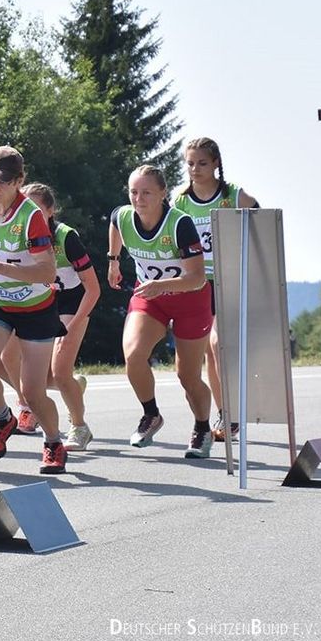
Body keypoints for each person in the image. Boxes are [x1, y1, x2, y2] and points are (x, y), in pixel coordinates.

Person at [0, 146, 67, 474]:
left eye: (2, 182)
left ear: (19, 181)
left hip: (35, 306)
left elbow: (48, 273)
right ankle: (3, 419)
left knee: (33, 393)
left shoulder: (30, 216)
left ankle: (52, 441)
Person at [109, 164, 215, 459]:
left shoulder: (179, 224)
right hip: (151, 299)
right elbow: (115, 223)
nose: (138, 199)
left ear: (162, 194)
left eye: (146, 193)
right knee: (133, 354)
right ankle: (151, 414)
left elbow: (196, 278)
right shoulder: (124, 215)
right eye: (133, 192)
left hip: (190, 301)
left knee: (187, 376)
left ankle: (202, 428)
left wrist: (161, 284)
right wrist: (113, 260)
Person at [171, 137, 258, 441]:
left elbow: (261, 220)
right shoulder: (180, 200)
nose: (195, 169)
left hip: (225, 279)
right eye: (190, 163)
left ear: (216, 163)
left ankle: (232, 411)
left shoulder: (233, 195)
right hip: (195, 283)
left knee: (218, 344)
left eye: (202, 163)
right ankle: (226, 415)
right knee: (207, 350)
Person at [19, 183, 100, 450]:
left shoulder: (66, 237)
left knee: (60, 370)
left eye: (37, 208)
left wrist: (74, 325)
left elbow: (93, 288)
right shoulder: (19, 235)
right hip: (42, 304)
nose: (29, 214)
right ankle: (73, 387)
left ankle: (79, 427)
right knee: (36, 379)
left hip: (72, 304)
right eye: (25, 207)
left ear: (51, 211)